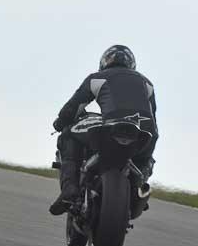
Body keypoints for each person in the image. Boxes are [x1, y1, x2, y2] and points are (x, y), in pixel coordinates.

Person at [49, 45, 158, 215]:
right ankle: (138, 188)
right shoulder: (147, 84)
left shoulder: (97, 78)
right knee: (145, 159)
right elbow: (153, 116)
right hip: (145, 133)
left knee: (68, 134)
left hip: (110, 128)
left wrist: (60, 123)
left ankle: (69, 188)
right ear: (132, 64)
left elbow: (73, 108)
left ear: (104, 62)